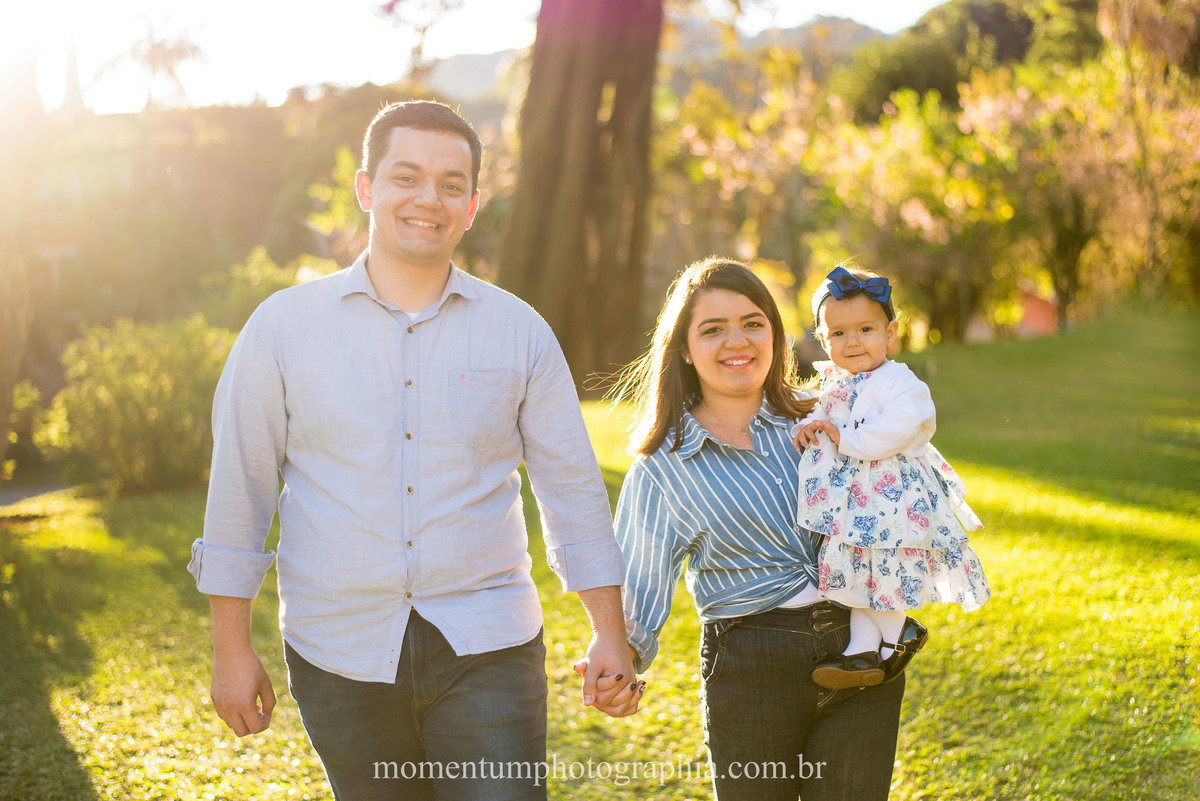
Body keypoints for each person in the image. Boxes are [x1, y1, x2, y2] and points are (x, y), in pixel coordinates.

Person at [188, 100, 640, 801]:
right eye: (407, 177)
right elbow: (239, 492)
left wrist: (609, 629)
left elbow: (572, 490)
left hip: (489, 644)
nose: (429, 198)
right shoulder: (281, 329)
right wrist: (230, 647)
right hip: (337, 650)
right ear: (367, 188)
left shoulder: (520, 331)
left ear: (472, 205)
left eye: (451, 184)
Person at [611, 256, 906, 801]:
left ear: (775, 333)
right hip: (750, 673)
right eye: (712, 329)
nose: (737, 341)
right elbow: (639, 583)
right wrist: (620, 660)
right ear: (684, 348)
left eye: (752, 322)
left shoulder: (829, 416)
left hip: (860, 656)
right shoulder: (663, 467)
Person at [792, 265, 990, 690]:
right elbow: (819, 412)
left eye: (865, 329)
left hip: (890, 499)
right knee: (857, 569)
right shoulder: (834, 381)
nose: (853, 341)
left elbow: (899, 428)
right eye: (839, 333)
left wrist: (844, 436)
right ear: (824, 340)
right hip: (854, 504)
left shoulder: (901, 382)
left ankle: (900, 630)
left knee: (877, 568)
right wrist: (807, 427)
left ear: (890, 332)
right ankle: (862, 652)